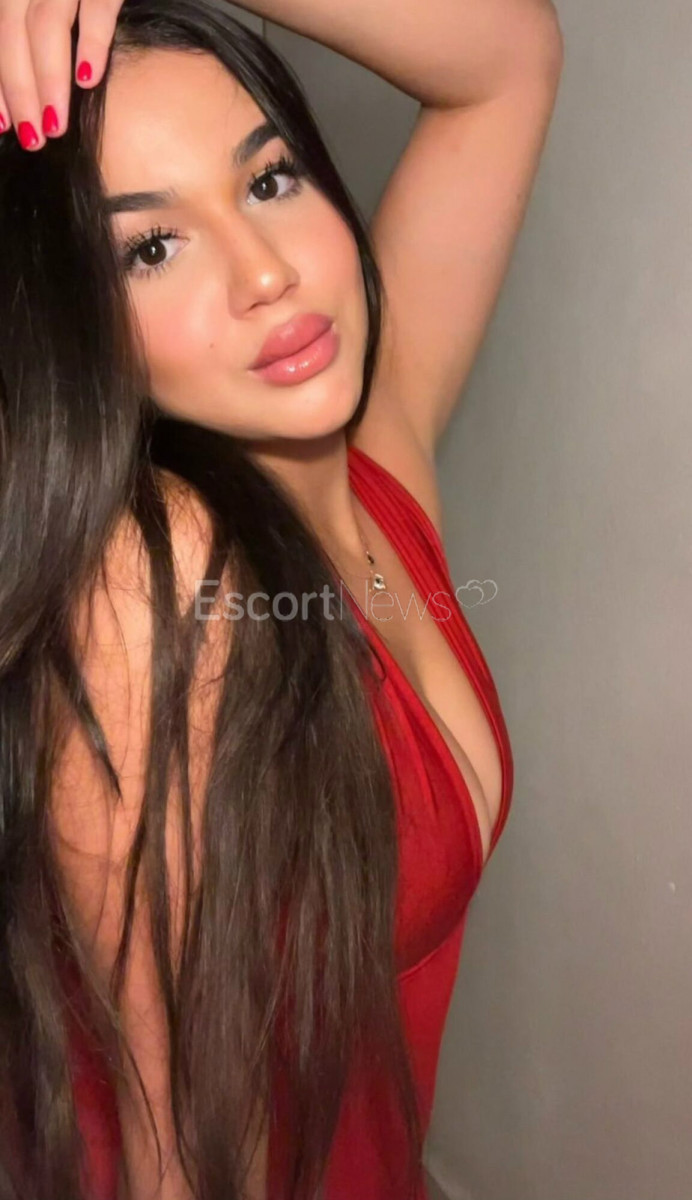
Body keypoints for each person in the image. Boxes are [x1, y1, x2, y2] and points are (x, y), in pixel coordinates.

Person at [0, 0, 563, 1196]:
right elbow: (178, 1165)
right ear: (73, 317)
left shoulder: (376, 463)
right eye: (151, 248)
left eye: (268, 180)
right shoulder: (152, 581)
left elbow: (507, 59)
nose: (266, 272)